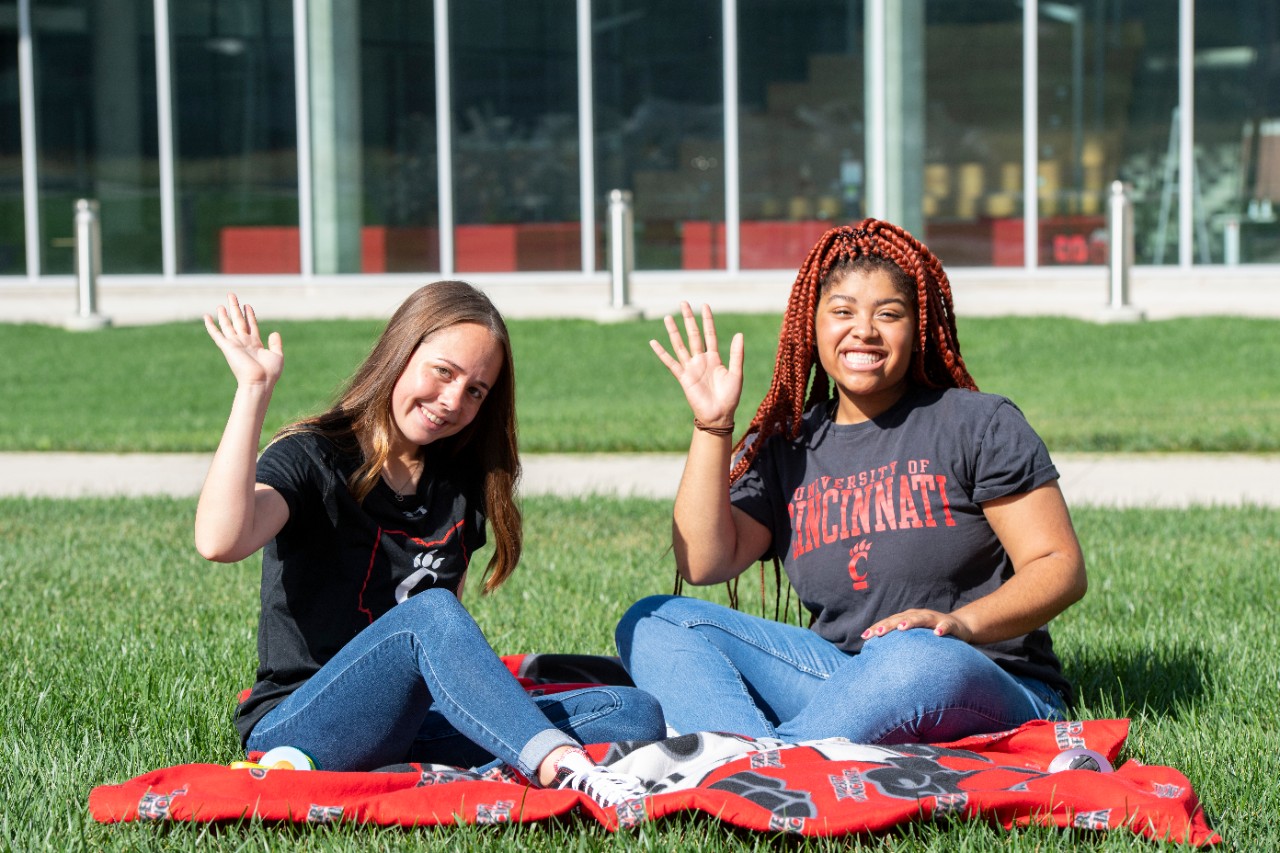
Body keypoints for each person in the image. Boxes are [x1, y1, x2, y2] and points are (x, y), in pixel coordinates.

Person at [615, 219, 1087, 745]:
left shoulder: (978, 424)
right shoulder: (786, 446)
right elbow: (702, 562)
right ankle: (764, 763)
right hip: (840, 679)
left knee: (913, 652)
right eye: (842, 311)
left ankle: (758, 765)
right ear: (810, 325)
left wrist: (961, 626)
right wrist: (712, 424)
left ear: (919, 327)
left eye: (888, 313)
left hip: (974, 675)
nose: (864, 330)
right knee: (656, 621)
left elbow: (1058, 566)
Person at [196, 282, 662, 806]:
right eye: (444, 372)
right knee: (430, 614)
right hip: (302, 725)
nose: (452, 401)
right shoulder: (314, 457)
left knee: (633, 711)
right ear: (402, 349)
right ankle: (558, 766)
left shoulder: (461, 486)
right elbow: (220, 540)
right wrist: (253, 390)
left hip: (410, 725)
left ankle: (449, 765)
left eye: (475, 390)